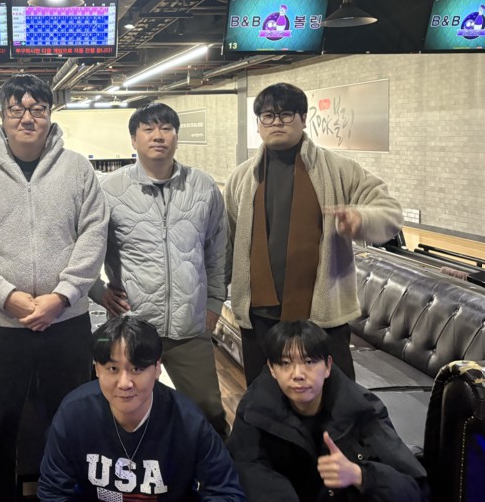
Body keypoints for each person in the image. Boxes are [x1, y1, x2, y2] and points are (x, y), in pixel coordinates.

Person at [0, 73, 109, 499]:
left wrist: (63, 296)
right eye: (17, 109)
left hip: (66, 322)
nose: (27, 118)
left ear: (50, 115)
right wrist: (6, 296)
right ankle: (0, 494)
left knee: (70, 417)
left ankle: (68, 493)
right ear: (2, 116)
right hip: (0, 325)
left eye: (37, 109)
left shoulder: (78, 168)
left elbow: (94, 235)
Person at [223, 82, 403, 384]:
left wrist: (361, 218)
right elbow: (227, 242)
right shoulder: (241, 178)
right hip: (259, 317)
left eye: (286, 114)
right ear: (258, 124)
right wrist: (214, 295)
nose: (277, 122)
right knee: (263, 398)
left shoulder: (340, 170)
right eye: (268, 116)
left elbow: (390, 213)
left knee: (336, 399)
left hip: (323, 316)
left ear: (304, 119)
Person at [91, 102, 229, 438]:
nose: (158, 136)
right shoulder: (109, 190)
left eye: (166, 128)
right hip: (133, 325)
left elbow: (217, 251)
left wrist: (214, 303)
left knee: (208, 411)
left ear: (176, 137)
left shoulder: (203, 187)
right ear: (133, 140)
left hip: (189, 326)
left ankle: (213, 469)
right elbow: (84, 248)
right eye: (148, 129)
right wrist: (98, 291)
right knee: (126, 410)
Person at [38, 315, 245, 501]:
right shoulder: (74, 413)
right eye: (113, 368)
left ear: (157, 368)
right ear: (97, 369)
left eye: (137, 368)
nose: (124, 383)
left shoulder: (188, 420)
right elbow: (53, 491)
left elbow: (225, 491)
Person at [227, 320, 428, 502]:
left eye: (309, 362)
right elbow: (248, 472)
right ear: (272, 369)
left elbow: (415, 489)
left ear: (327, 366)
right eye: (286, 363)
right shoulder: (254, 410)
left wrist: (360, 475)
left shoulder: (361, 408)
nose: (298, 374)